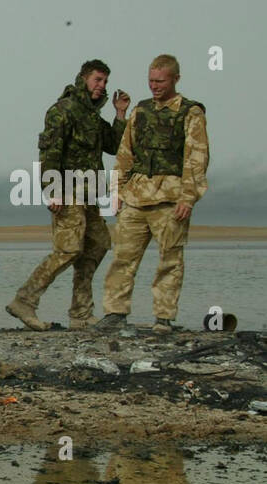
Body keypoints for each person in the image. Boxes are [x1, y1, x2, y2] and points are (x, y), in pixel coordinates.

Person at [6, 60, 129, 331]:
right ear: (83, 78)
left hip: (90, 194)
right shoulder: (63, 110)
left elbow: (112, 145)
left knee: (98, 244)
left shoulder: (92, 114)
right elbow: (50, 152)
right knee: (68, 249)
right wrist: (52, 191)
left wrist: (120, 115)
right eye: (97, 80)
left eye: (105, 81)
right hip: (67, 191)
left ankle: (81, 313)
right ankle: (24, 301)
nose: (102, 86)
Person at [96, 54, 209, 334]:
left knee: (170, 261)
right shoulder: (140, 111)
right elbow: (125, 153)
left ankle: (163, 318)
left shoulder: (190, 112)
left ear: (175, 79)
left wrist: (188, 197)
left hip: (170, 200)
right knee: (122, 257)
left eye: (160, 81)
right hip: (135, 197)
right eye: (151, 81)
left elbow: (196, 157)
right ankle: (114, 313)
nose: (154, 86)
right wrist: (116, 192)